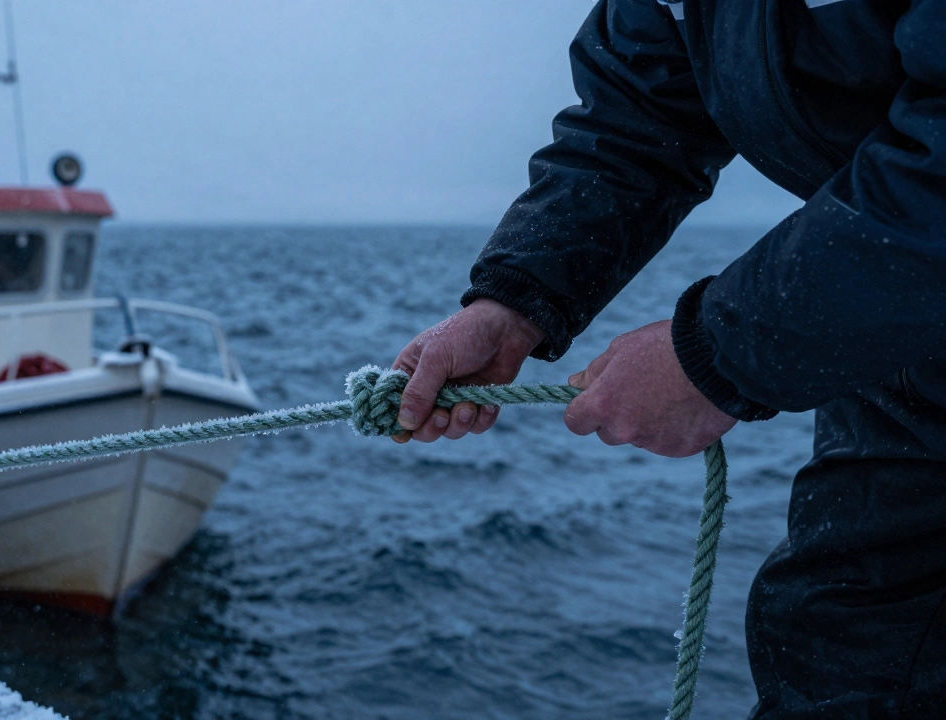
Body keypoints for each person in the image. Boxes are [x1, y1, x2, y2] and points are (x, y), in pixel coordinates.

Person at [391, 1, 946, 717]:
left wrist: (716, 355)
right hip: (903, 344)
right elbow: (636, 116)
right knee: (846, 647)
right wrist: (513, 300)